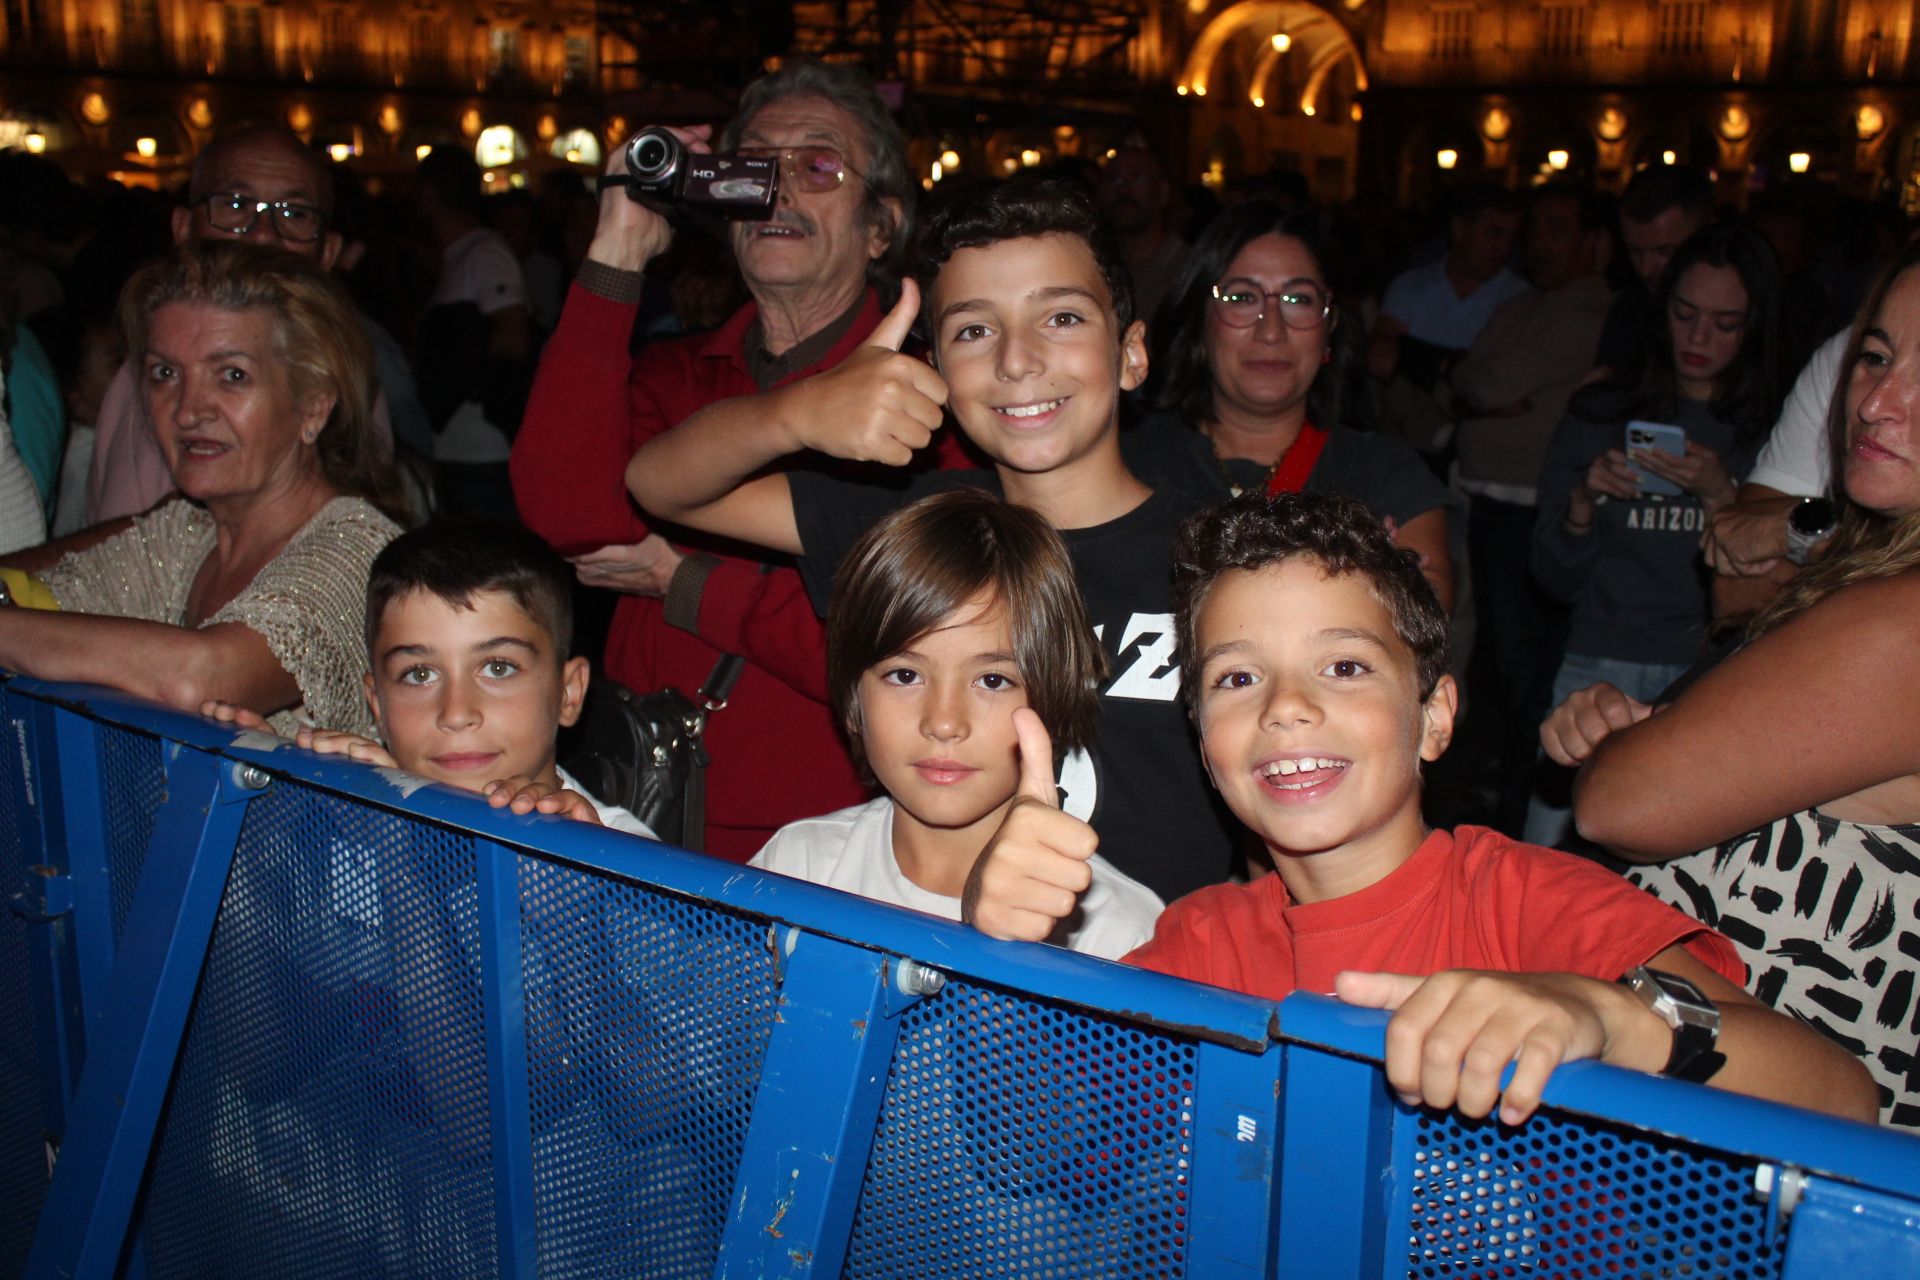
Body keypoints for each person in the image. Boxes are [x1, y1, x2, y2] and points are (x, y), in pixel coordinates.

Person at [967, 490, 1877, 1125]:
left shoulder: (1537, 903)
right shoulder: (1194, 947)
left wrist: (1613, 1018)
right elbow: (1036, 1152)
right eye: (1238, 678)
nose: (1286, 706)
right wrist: (1004, 961)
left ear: (1434, 718)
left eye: (1346, 666)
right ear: (1206, 743)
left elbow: (1840, 1098)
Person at [629, 176, 1242, 902]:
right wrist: (796, 414)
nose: (1017, 360)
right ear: (939, 370)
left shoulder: (1221, 559)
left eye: (1063, 318)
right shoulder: (918, 530)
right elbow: (659, 483)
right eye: (974, 330)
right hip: (951, 970)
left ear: (1132, 353)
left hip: (1161, 980)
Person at [510, 58, 933, 859]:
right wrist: (620, 248)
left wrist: (686, 580)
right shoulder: (680, 375)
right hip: (643, 811)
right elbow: (565, 517)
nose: (778, 190)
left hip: (828, 847)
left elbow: (903, 657)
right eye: (753, 167)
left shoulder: (919, 402)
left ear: (880, 225)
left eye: (817, 165)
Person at [1556, 241, 1920, 1127]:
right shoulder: (1880, 572)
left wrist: (1636, 748)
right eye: (1875, 358)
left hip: (1764, 1142)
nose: (1877, 401)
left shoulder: (1900, 623)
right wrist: (1671, 727)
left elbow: (1617, 804)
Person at [0, 244, 403, 736]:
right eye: (164, 373)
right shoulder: (186, 534)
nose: (188, 410)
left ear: (313, 406)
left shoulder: (359, 552)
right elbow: (36, 603)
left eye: (232, 376)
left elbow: (201, 678)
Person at [750, 490, 1161, 957]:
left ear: (1055, 701)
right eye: (905, 675)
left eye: (992, 680)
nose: (944, 723)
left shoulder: (1123, 934)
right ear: (852, 702)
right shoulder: (797, 869)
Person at [1525, 226, 1785, 843]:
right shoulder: (1601, 413)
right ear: (1660, 310)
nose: (1698, 338)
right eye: (1685, 314)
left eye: (1725, 323)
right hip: (1598, 657)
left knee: (1677, 866)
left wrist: (1725, 494)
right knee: (1547, 854)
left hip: (1709, 670)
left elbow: (1789, 587)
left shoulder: (1772, 436)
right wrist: (1583, 503)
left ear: (1754, 329)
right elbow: (1550, 577)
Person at [208, 521, 655, 834]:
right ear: (377, 706)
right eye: (419, 674)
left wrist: (575, 918)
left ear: (569, 692)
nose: (456, 713)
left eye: (498, 668)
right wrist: (261, 825)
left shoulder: (627, 863)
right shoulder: (345, 821)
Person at [1125, 201, 1459, 609]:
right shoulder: (1127, 461)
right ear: (1199, 320)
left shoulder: (1382, 472)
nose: (1271, 329)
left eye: (1298, 300)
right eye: (1242, 297)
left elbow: (1429, 608)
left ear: (1330, 326)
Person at [83, 124, 409, 526]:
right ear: (183, 229)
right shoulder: (161, 377)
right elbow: (126, 553)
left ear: (327, 252)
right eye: (235, 205)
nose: (263, 234)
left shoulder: (351, 373)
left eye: (294, 214)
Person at [1450, 182, 1614, 833]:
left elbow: (1487, 381)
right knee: (1501, 666)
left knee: (1528, 676)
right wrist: (1482, 395)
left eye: (1556, 226)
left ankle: (1524, 816)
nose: (1538, 242)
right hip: (1485, 503)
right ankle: (1508, 796)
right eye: (1535, 227)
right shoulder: (1521, 305)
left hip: (1529, 517)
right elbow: (1467, 376)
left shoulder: (1592, 311)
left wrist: (1487, 397)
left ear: (1592, 243)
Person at [413, 146, 532, 518]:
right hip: (454, 446)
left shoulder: (485, 254)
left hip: (483, 450)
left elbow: (515, 340)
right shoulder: (456, 256)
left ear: (429, 193)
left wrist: (452, 349)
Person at [1592, 165, 1716, 387]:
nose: (1646, 269)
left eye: (1664, 252)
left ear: (1707, 235)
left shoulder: (1748, 314)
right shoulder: (1629, 309)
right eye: (1635, 252)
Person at [1094, 145, 1190, 327]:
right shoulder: (1092, 265)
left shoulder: (1187, 270)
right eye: (1114, 178)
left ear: (1163, 192)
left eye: (1137, 178)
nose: (1123, 189)